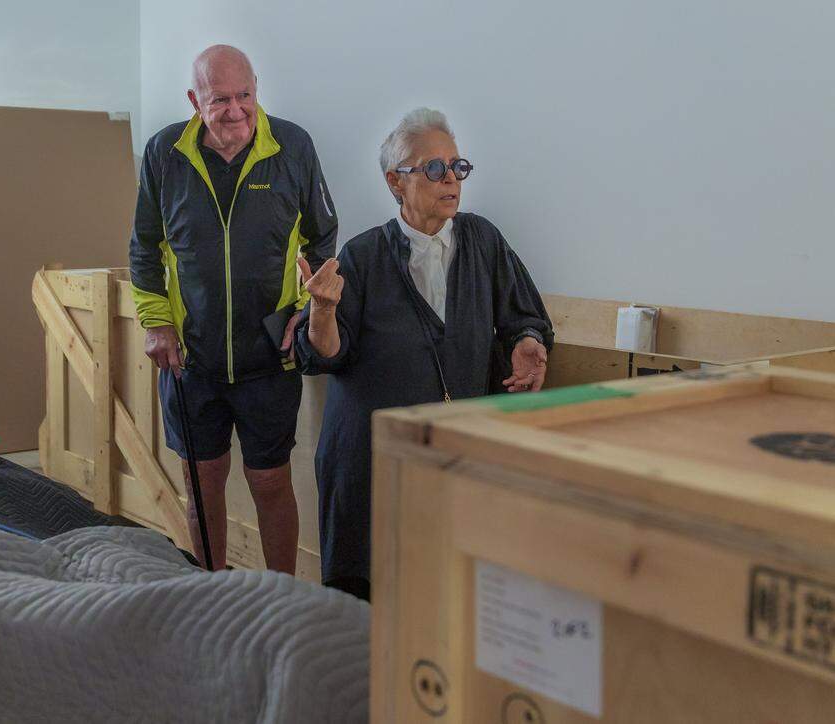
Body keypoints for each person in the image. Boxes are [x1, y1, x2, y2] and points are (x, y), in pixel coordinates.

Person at [294, 108, 553, 600]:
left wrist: (527, 344)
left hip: (455, 459)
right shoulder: (362, 255)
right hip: (372, 463)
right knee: (369, 600)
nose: (451, 179)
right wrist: (322, 312)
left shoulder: (483, 240)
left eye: (458, 167)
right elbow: (327, 354)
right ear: (396, 181)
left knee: (447, 595)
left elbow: (524, 316)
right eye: (434, 169)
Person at [129, 45, 337, 572]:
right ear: (194, 100)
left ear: (256, 88)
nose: (236, 111)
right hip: (190, 358)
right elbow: (144, 246)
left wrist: (302, 315)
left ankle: (280, 597)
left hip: (269, 355)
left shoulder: (292, 146)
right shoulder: (163, 153)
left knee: (270, 481)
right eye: (220, 99)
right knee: (202, 483)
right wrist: (156, 324)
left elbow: (323, 238)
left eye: (245, 95)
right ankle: (211, 590)